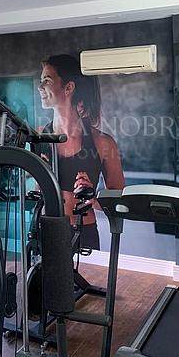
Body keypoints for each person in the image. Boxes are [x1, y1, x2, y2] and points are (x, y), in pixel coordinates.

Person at [38, 54, 125, 250]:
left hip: (83, 232)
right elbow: (34, 194)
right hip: (46, 229)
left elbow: (119, 202)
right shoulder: (39, 138)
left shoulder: (103, 143)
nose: (40, 87)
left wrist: (92, 199)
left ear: (68, 87)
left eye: (47, 80)